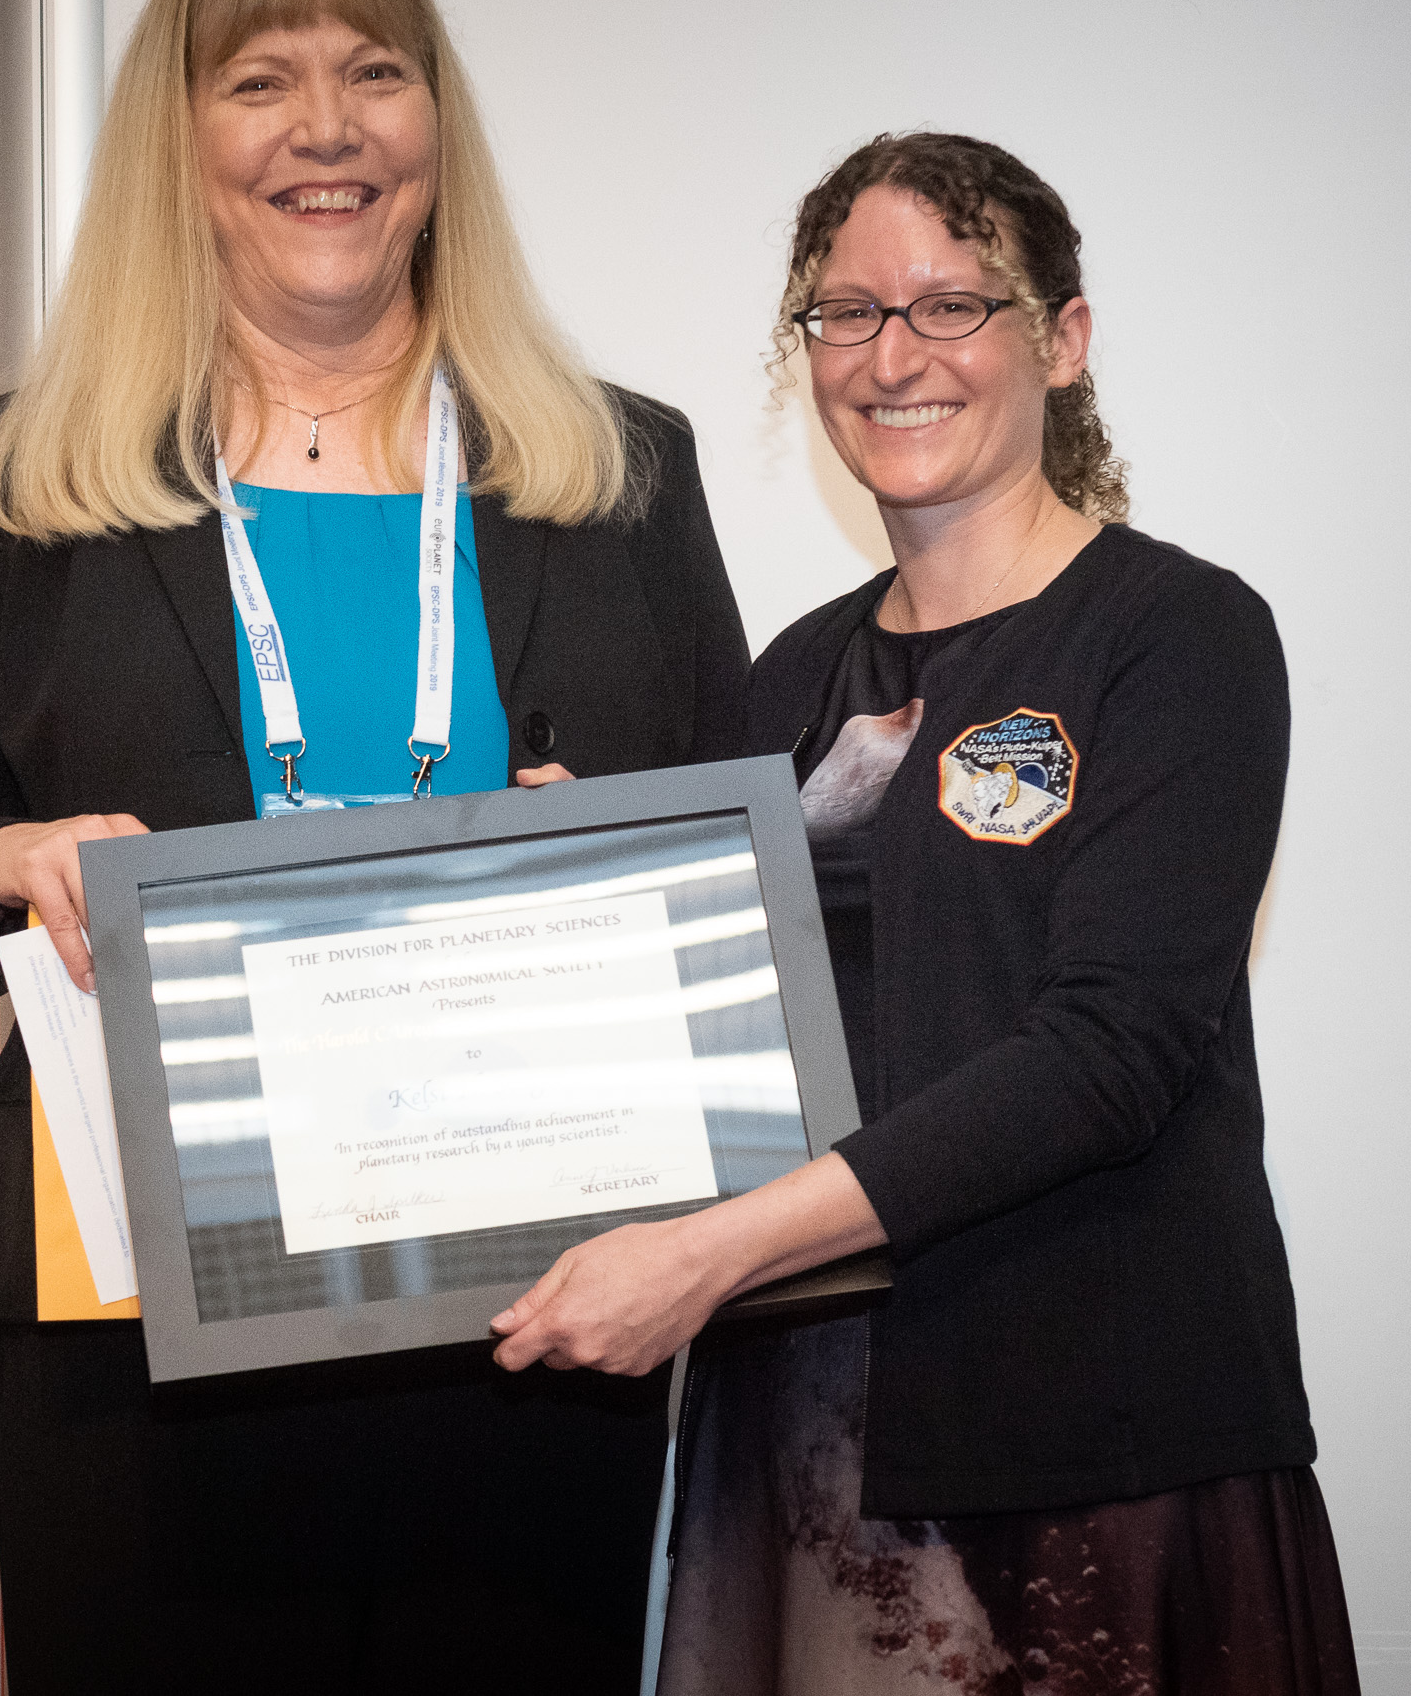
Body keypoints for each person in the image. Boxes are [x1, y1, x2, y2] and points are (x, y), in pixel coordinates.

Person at [0, 0, 748, 1695]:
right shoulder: (19, 478)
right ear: (179, 141)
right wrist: (6, 854)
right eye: (261, 81)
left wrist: (620, 859)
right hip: (144, 1315)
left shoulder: (622, 467)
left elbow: (738, 871)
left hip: (541, 1301)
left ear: (436, 128)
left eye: (376, 72)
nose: (328, 128)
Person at [488, 133, 1362, 1693]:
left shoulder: (1178, 635)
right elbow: (745, 1018)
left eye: (952, 304)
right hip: (809, 1417)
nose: (894, 357)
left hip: (1087, 1435)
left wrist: (710, 1251)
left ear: (1063, 340)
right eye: (847, 313)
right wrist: (594, 896)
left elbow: (1107, 1053)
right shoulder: (790, 676)